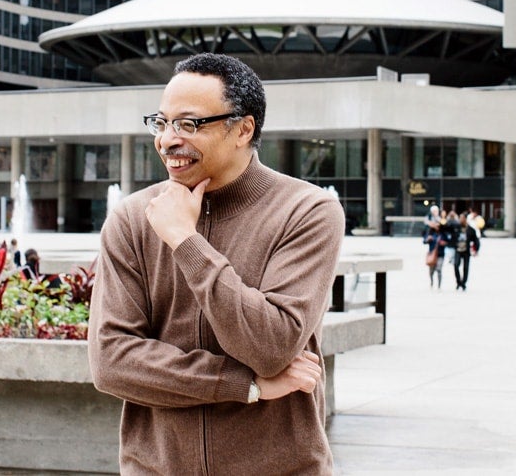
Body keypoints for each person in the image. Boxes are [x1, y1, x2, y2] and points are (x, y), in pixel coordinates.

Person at [88, 53, 345, 474]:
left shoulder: (308, 211)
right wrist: (244, 386)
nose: (168, 139)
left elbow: (273, 346)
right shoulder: (134, 217)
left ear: (243, 129)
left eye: (189, 124)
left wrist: (185, 241)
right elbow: (112, 361)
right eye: (161, 122)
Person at [452, 212, 481, 291]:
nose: (460, 219)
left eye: (461, 218)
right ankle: (458, 282)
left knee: (466, 267)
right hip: (458, 249)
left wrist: (476, 250)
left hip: (466, 251)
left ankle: (463, 283)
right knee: (456, 265)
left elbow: (476, 240)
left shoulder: (471, 229)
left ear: (465, 219)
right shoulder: (456, 227)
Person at [423, 221, 446, 289]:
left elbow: (448, 241)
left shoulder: (443, 234)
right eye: (435, 225)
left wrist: (444, 243)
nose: (437, 227)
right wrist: (428, 239)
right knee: (431, 271)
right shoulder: (430, 233)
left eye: (438, 225)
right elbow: (424, 241)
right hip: (432, 255)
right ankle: (432, 282)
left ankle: (439, 285)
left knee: (439, 269)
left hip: (440, 254)